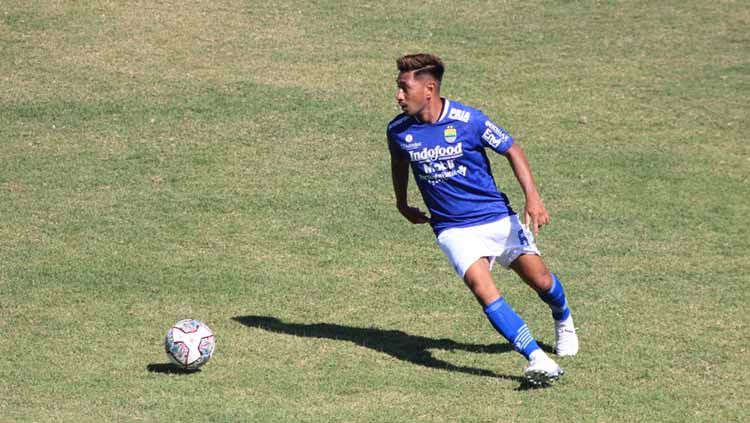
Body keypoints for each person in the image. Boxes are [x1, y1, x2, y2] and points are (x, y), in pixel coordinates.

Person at [386, 53, 578, 385]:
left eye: (405, 88)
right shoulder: (398, 130)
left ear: (429, 89)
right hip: (452, 228)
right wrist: (402, 202)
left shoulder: (469, 120)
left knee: (541, 281)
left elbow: (512, 150)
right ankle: (538, 358)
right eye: (397, 88)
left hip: (495, 219)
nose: (398, 96)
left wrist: (533, 197)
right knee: (481, 287)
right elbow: (399, 163)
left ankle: (562, 317)